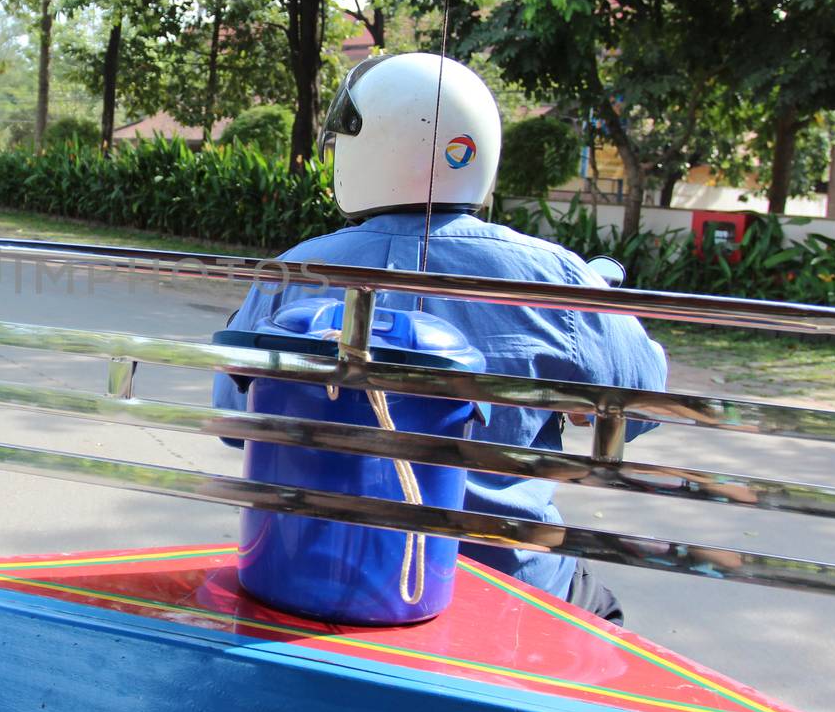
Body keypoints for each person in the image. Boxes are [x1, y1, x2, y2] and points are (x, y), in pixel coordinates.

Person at [212, 53, 667, 623]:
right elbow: (642, 410)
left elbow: (234, 418)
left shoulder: (295, 272)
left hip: (314, 566)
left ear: (366, 147)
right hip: (509, 578)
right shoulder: (559, 277)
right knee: (602, 613)